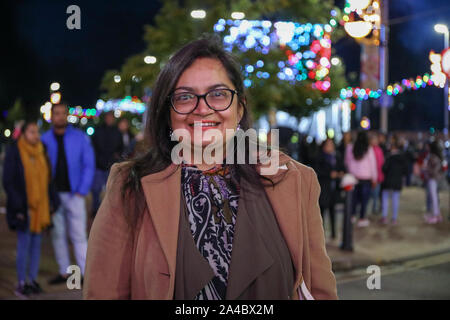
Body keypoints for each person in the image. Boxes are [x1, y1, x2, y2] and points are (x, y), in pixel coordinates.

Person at [84, 36, 337, 300]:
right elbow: (104, 292)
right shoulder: (129, 186)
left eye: (218, 94)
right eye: (184, 97)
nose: (202, 108)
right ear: (167, 113)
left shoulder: (295, 181)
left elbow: (319, 290)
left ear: (240, 109)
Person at [3, 121, 60, 297]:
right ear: (23, 134)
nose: (36, 135)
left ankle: (32, 280)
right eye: (31, 132)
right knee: (24, 246)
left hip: (41, 208)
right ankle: (21, 282)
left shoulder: (41, 151)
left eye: (37, 132)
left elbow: (48, 179)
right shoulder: (15, 152)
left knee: (36, 246)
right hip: (24, 208)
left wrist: (52, 201)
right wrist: (19, 206)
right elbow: (9, 181)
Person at [41, 103, 95, 285]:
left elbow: (89, 164)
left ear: (67, 115)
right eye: (57, 113)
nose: (60, 117)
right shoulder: (45, 139)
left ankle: (86, 273)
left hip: (74, 195)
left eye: (63, 113)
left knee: (79, 235)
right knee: (58, 235)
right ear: (52, 116)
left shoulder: (79, 138)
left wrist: (82, 190)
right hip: (54, 196)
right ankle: (64, 272)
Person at [91, 111, 123, 216]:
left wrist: (117, 157)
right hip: (99, 165)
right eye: (108, 117)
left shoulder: (117, 132)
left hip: (111, 165)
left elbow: (121, 147)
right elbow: (93, 146)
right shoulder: (98, 130)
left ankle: (110, 211)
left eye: (111, 118)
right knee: (96, 190)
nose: (109, 119)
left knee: (112, 190)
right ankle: (95, 209)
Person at [345, 130, 378, 227]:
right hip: (366, 178)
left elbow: (346, 162)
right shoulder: (368, 149)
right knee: (364, 199)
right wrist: (374, 178)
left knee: (353, 198)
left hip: (353, 177)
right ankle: (362, 218)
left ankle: (352, 216)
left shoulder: (350, 147)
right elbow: (373, 165)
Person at [314, 138, 345, 239]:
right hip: (323, 188)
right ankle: (320, 235)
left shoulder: (336, 156)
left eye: (331, 145)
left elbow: (343, 167)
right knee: (321, 212)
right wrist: (329, 174)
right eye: (328, 145)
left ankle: (333, 233)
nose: (330, 147)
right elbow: (316, 171)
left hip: (334, 189)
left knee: (333, 211)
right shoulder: (320, 157)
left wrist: (340, 173)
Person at [380, 137, 408, 225]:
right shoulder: (402, 157)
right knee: (395, 199)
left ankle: (384, 217)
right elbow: (405, 170)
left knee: (385, 198)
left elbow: (384, 168)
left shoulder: (389, 157)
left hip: (387, 181)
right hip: (397, 181)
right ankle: (394, 218)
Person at [422, 140, 444, 224]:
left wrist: (426, 169)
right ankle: (437, 215)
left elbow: (434, 169)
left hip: (433, 179)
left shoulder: (433, 157)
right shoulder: (435, 156)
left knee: (433, 197)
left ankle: (435, 216)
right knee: (434, 197)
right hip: (434, 178)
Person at [369, 132, 384, 215]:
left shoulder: (379, 150)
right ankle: (372, 208)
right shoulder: (369, 150)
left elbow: (381, 163)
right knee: (371, 194)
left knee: (376, 193)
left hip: (378, 176)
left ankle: (375, 208)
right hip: (370, 176)